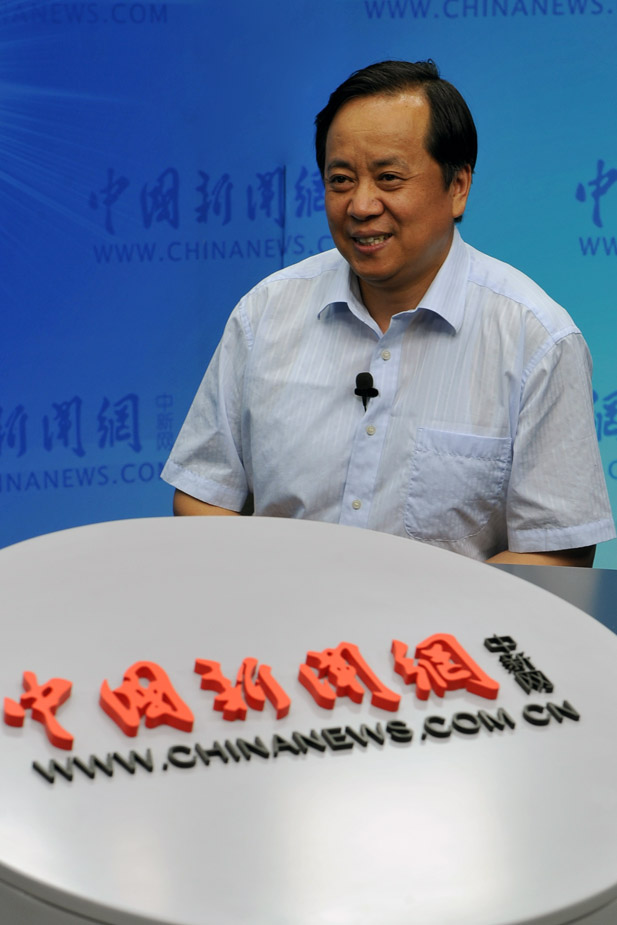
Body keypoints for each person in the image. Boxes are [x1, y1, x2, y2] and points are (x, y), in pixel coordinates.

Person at [161, 60, 616, 566]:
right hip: (284, 612)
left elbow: (558, 551)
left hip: (448, 620)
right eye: (340, 180)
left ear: (458, 186)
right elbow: (203, 493)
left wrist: (416, 607)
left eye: (389, 178)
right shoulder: (265, 313)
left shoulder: (536, 340)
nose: (361, 205)